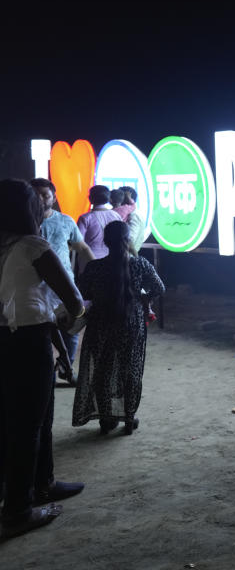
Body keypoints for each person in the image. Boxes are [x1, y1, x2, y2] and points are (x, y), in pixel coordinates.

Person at [0, 179, 85, 540]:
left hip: (7, 338)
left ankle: (42, 483)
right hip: (29, 341)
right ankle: (20, 508)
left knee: (23, 418)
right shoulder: (34, 245)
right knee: (31, 424)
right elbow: (73, 299)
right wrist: (73, 315)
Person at [72, 221, 164, 435]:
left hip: (101, 324)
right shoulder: (140, 264)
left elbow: (83, 293)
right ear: (127, 240)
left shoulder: (95, 267)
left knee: (103, 370)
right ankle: (129, 418)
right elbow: (159, 287)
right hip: (131, 324)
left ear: (105, 241)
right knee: (130, 369)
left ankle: (106, 419)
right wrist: (143, 299)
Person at [29, 178, 94, 373]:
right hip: (33, 287)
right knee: (40, 331)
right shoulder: (22, 224)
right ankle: (45, 370)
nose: (40, 199)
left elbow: (81, 247)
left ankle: (66, 367)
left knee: (72, 327)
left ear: (54, 197)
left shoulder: (65, 221)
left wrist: (97, 269)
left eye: (45, 195)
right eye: (36, 195)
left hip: (63, 284)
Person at [77, 185, 121, 266]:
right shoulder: (116, 216)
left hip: (89, 260)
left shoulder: (85, 218)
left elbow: (79, 242)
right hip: (112, 260)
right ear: (108, 198)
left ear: (90, 198)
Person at [118, 186, 147, 253]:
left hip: (126, 257)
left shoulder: (134, 215)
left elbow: (130, 239)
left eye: (119, 196)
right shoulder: (130, 213)